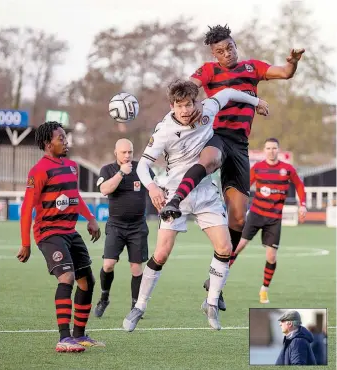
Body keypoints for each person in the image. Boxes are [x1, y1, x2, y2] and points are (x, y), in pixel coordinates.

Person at [160, 24, 305, 309]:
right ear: (213, 54)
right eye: (219, 51)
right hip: (215, 136)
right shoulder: (208, 71)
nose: (226, 54)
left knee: (238, 218)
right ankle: (176, 197)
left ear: (235, 44)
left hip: (240, 145)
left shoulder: (253, 68)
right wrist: (187, 105)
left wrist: (293, 62)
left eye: (230, 48)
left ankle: (216, 280)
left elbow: (285, 73)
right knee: (211, 158)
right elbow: (189, 88)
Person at [122, 80, 266, 332]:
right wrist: (153, 188)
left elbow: (231, 92)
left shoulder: (207, 109)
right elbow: (142, 166)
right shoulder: (164, 130)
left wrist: (257, 102)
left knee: (225, 247)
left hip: (205, 193)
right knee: (162, 253)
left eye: (189, 104)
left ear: (196, 102)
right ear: (172, 106)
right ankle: (139, 306)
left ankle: (210, 304)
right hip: (175, 193)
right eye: (180, 106)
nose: (186, 110)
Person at [17, 121, 104, 353]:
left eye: (66, 138)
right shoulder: (39, 171)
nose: (66, 142)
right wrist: (26, 243)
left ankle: (80, 335)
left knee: (87, 281)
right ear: (48, 144)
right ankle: (64, 338)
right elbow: (27, 209)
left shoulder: (72, 167)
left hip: (70, 232)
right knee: (67, 277)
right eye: (61, 139)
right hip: (49, 232)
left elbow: (75, 196)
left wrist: (91, 219)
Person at [232, 138, 306, 303]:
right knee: (238, 246)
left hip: (274, 219)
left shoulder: (287, 169)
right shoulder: (257, 168)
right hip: (256, 215)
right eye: (268, 148)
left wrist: (303, 205)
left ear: (278, 150)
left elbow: (300, 186)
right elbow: (244, 187)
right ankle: (218, 280)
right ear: (264, 150)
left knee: (271, 256)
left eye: (274, 148)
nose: (271, 151)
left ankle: (264, 290)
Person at [94, 138, 153, 318]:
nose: (127, 156)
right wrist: (121, 173)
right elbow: (104, 189)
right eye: (123, 152)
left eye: (130, 152)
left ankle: (136, 307)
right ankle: (104, 297)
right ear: (116, 153)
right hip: (116, 225)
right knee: (108, 264)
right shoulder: (108, 170)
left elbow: (154, 187)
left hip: (137, 226)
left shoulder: (142, 168)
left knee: (136, 268)